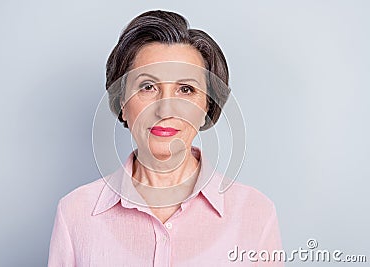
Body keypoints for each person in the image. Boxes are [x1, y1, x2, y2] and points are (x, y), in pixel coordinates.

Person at [48, 10, 283, 266]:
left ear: (206, 106)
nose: (165, 109)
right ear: (122, 103)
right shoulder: (75, 213)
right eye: (147, 87)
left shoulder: (256, 213)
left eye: (186, 89)